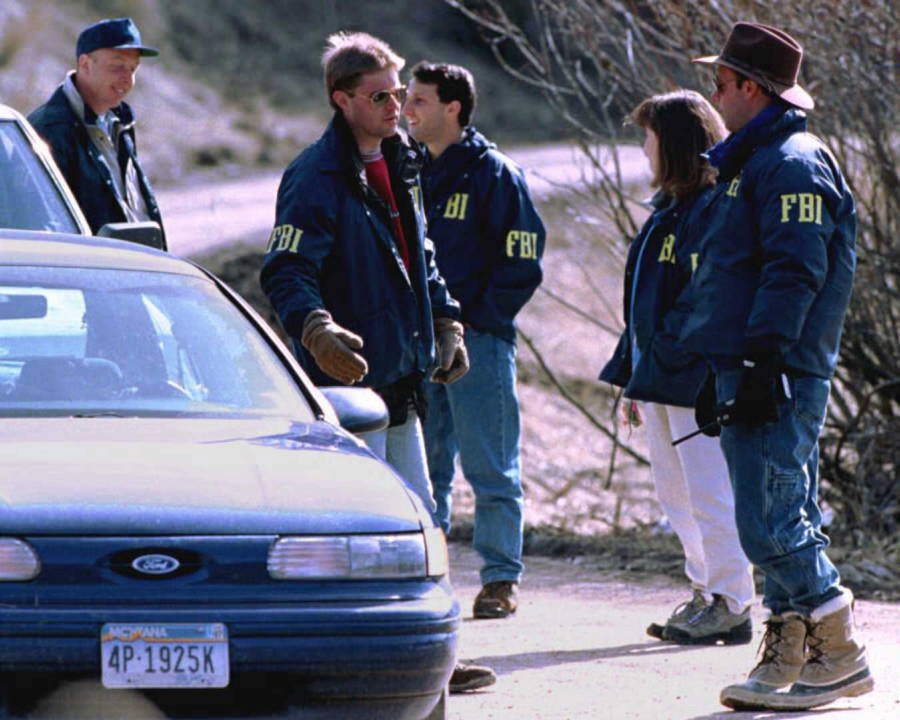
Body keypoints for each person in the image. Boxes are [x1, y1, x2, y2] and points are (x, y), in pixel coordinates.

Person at [258, 31, 494, 695]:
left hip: (402, 376)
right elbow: (287, 267)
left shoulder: (400, 161)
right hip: (351, 388)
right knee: (354, 534)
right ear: (343, 100)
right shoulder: (317, 175)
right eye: (380, 95)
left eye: (398, 93)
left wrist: (445, 317)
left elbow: (422, 253)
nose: (396, 106)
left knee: (419, 519)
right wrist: (314, 326)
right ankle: (338, 664)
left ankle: (432, 659)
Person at [680, 22, 873, 711]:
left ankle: (839, 651)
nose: (714, 92)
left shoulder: (791, 161)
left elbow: (795, 271)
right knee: (773, 511)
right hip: (752, 363)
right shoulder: (753, 162)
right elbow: (734, 274)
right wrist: (722, 364)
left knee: (770, 520)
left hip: (780, 367)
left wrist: (762, 359)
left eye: (722, 81)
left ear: (751, 89)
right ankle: (790, 650)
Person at [599, 90, 755, 645]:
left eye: (651, 136)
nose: (644, 148)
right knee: (676, 495)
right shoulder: (666, 211)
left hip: (695, 378)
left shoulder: (713, 208)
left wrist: (663, 355)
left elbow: (707, 298)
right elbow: (644, 302)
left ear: (678, 143)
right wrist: (633, 374)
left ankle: (733, 601)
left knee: (710, 490)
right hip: (660, 376)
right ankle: (705, 593)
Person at [402, 62, 544, 619]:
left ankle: (500, 579)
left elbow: (522, 262)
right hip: (417, 345)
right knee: (425, 469)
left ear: (452, 108)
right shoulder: (408, 171)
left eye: (418, 101)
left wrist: (476, 324)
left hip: (479, 344)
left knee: (491, 465)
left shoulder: (495, 175)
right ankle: (430, 577)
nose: (406, 110)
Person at [28, 17, 165, 244]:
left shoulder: (120, 123)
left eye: (133, 69)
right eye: (117, 66)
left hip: (131, 268)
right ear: (85, 64)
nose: (127, 79)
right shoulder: (50, 129)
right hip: (91, 272)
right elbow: (44, 226)